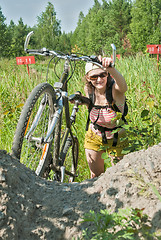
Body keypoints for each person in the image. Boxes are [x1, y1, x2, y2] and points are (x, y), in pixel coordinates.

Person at [83, 56, 128, 178]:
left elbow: (123, 87)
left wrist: (111, 68)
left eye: (102, 75)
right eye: (94, 77)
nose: (99, 79)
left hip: (117, 137)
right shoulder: (89, 90)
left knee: (119, 176)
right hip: (94, 136)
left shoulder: (115, 91)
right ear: (88, 78)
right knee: (96, 175)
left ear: (107, 74)